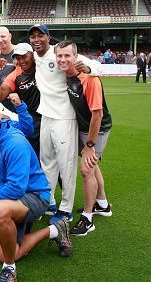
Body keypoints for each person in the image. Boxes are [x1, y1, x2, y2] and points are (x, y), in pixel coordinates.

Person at [0, 104, 72, 282]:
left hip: (34, 196)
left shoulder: (15, 143)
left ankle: (9, 269)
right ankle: (56, 230)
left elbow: (16, 188)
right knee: (3, 252)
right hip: (9, 195)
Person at [29, 23, 102, 223]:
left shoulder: (59, 53)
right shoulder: (34, 54)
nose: (36, 40)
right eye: (33, 36)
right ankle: (49, 201)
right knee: (47, 162)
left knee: (66, 164)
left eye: (40, 36)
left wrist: (88, 67)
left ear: (48, 37)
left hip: (65, 117)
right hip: (46, 115)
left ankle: (66, 208)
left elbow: (97, 66)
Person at [56, 41, 113, 236]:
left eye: (67, 56)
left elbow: (97, 115)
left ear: (76, 57)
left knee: (86, 170)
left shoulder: (89, 78)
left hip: (97, 128)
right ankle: (103, 205)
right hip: (81, 127)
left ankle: (87, 219)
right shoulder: (66, 74)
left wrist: (89, 145)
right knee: (93, 165)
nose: (63, 59)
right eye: (60, 56)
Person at [0, 43, 41, 155]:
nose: (21, 61)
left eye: (24, 57)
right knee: (35, 154)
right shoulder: (16, 74)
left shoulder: (42, 65)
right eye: (18, 58)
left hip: (51, 115)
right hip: (32, 119)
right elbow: (0, 95)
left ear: (32, 55)